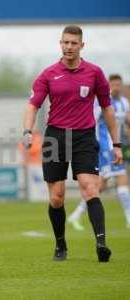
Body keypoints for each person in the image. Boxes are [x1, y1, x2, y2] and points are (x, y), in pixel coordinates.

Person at [22, 25, 122, 262]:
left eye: (73, 43)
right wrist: (27, 130)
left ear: (81, 46)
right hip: (56, 136)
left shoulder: (95, 73)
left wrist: (116, 143)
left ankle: (101, 243)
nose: (68, 47)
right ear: (60, 44)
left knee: (90, 187)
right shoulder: (48, 74)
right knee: (57, 197)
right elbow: (33, 105)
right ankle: (60, 245)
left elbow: (107, 108)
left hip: (85, 137)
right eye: (65, 42)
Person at [68, 74, 130, 230]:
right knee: (121, 180)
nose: (116, 87)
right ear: (108, 86)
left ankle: (75, 215)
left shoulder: (124, 103)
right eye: (113, 84)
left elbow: (127, 124)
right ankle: (129, 218)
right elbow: (91, 121)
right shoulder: (101, 101)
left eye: (118, 84)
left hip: (116, 147)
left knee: (99, 186)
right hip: (104, 147)